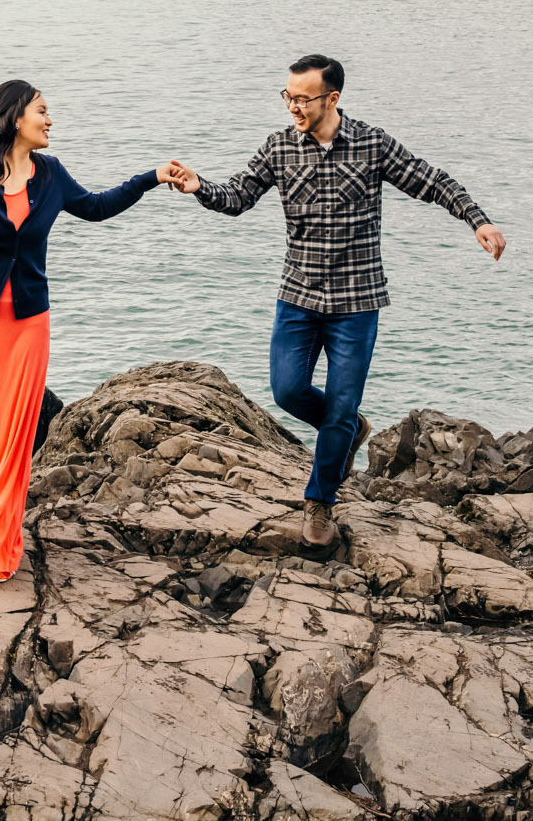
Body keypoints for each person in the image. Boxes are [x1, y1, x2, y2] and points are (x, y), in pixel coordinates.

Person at [166, 54, 505, 550]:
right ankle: (347, 431)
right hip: (298, 296)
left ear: (332, 99)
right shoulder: (280, 148)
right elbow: (238, 196)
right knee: (287, 391)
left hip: (357, 300)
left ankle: (320, 503)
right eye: (287, 96)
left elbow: (433, 181)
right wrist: (200, 188)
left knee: (342, 404)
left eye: (302, 98)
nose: (293, 107)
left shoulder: (372, 144)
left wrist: (478, 220)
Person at [0, 80, 176, 581]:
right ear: (16, 116)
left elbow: (98, 206)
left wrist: (152, 176)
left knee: (13, 432)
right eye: (43, 110)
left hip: (27, 324)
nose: (50, 120)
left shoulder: (50, 174)